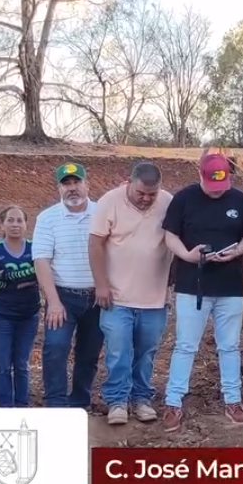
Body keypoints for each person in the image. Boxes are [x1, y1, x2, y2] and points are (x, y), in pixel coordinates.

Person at [161, 150, 243, 431]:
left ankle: (233, 399)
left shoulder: (238, 199)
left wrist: (238, 250)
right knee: (185, 345)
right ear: (200, 175)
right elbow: (170, 235)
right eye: (211, 186)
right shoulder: (184, 199)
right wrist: (187, 255)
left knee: (230, 345)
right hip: (194, 284)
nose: (217, 192)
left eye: (222, 186)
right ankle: (174, 401)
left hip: (230, 285)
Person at [90, 161, 174, 425]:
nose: (147, 199)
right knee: (118, 350)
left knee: (146, 351)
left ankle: (141, 398)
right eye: (141, 193)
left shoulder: (168, 202)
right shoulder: (109, 201)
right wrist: (101, 284)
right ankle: (117, 400)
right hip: (116, 297)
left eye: (152, 194)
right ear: (129, 182)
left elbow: (177, 239)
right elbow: (95, 243)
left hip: (154, 297)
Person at [33, 163, 103, 410]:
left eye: (76, 182)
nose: (72, 189)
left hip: (97, 297)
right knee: (55, 346)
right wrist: (53, 302)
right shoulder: (48, 218)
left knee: (89, 352)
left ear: (87, 184)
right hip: (63, 295)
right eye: (66, 184)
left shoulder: (102, 213)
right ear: (59, 188)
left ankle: (80, 401)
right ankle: (56, 402)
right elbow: (41, 259)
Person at [0, 206, 40, 408]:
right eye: (11, 220)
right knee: (2, 364)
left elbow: (41, 274)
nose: (15, 225)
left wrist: (6, 277)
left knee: (22, 363)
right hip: (1, 314)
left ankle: (23, 404)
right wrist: (20, 279)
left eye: (19, 221)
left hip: (29, 314)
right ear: (2, 224)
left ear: (26, 224)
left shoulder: (36, 248)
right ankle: (5, 405)